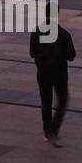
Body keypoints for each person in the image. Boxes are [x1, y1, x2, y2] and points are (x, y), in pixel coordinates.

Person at [30, 19, 75, 147]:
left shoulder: (36, 32)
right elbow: (71, 56)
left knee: (46, 101)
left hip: (42, 72)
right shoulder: (63, 34)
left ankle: (46, 130)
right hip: (59, 73)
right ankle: (54, 130)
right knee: (62, 100)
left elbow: (32, 53)